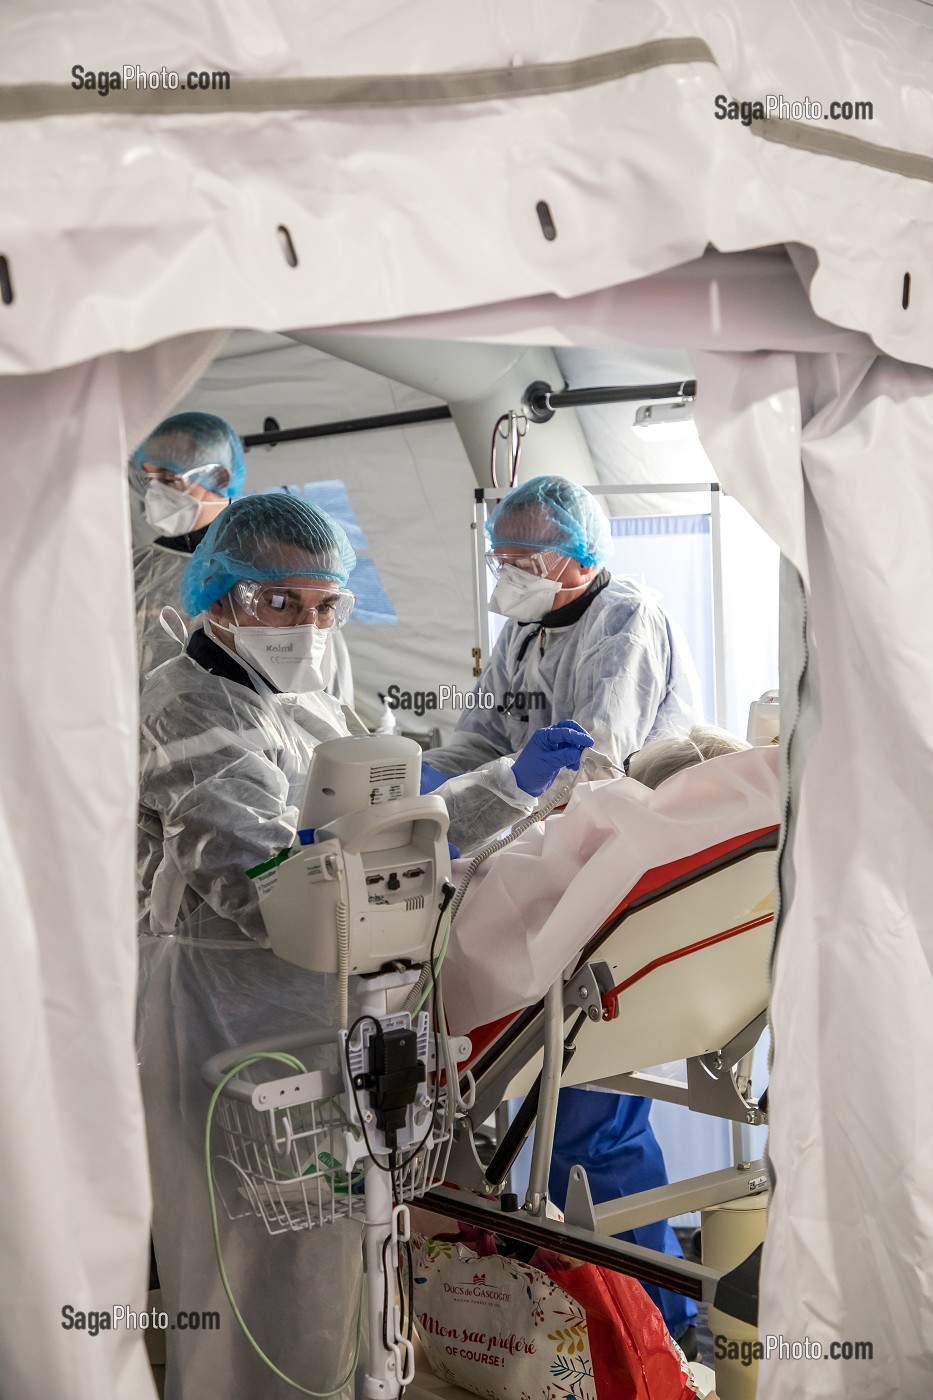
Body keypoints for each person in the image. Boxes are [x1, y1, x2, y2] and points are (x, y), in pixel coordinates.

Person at [136, 494, 592, 1400]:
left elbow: (394, 829)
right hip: (223, 1022)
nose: (306, 627)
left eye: (325, 606)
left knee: (341, 1265)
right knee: (246, 1275)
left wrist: (510, 783)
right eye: (280, 603)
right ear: (219, 594)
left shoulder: (313, 708)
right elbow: (249, 883)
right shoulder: (183, 705)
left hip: (323, 1016)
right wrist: (336, 858)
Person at [428, 474, 703, 1351]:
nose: (506, 572)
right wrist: (424, 778)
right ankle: (580, 1316)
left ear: (579, 558)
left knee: (590, 1110)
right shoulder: (524, 625)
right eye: (498, 556)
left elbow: (595, 766)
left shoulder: (626, 620)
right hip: (550, 867)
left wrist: (494, 808)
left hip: (611, 866)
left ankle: (657, 1330)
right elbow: (482, 735)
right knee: (544, 1107)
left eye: (525, 558)